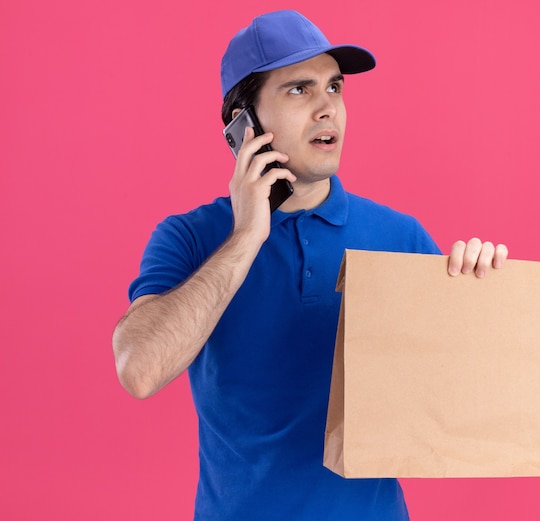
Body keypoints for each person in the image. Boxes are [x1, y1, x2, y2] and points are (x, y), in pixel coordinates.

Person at [113, 9, 508, 521]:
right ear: (244, 123)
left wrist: (481, 301)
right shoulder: (189, 237)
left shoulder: (399, 236)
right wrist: (247, 235)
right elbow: (139, 370)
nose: (329, 108)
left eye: (335, 87)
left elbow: (458, 408)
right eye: (300, 90)